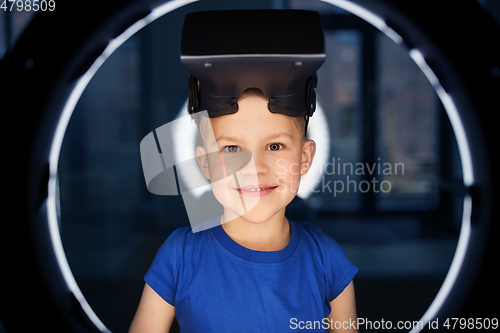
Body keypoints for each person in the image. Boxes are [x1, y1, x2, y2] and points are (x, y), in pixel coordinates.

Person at [130, 9, 358, 333]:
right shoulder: (179, 257)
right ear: (204, 163)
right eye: (232, 149)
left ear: (305, 158)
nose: (255, 168)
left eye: (275, 146)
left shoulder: (327, 261)